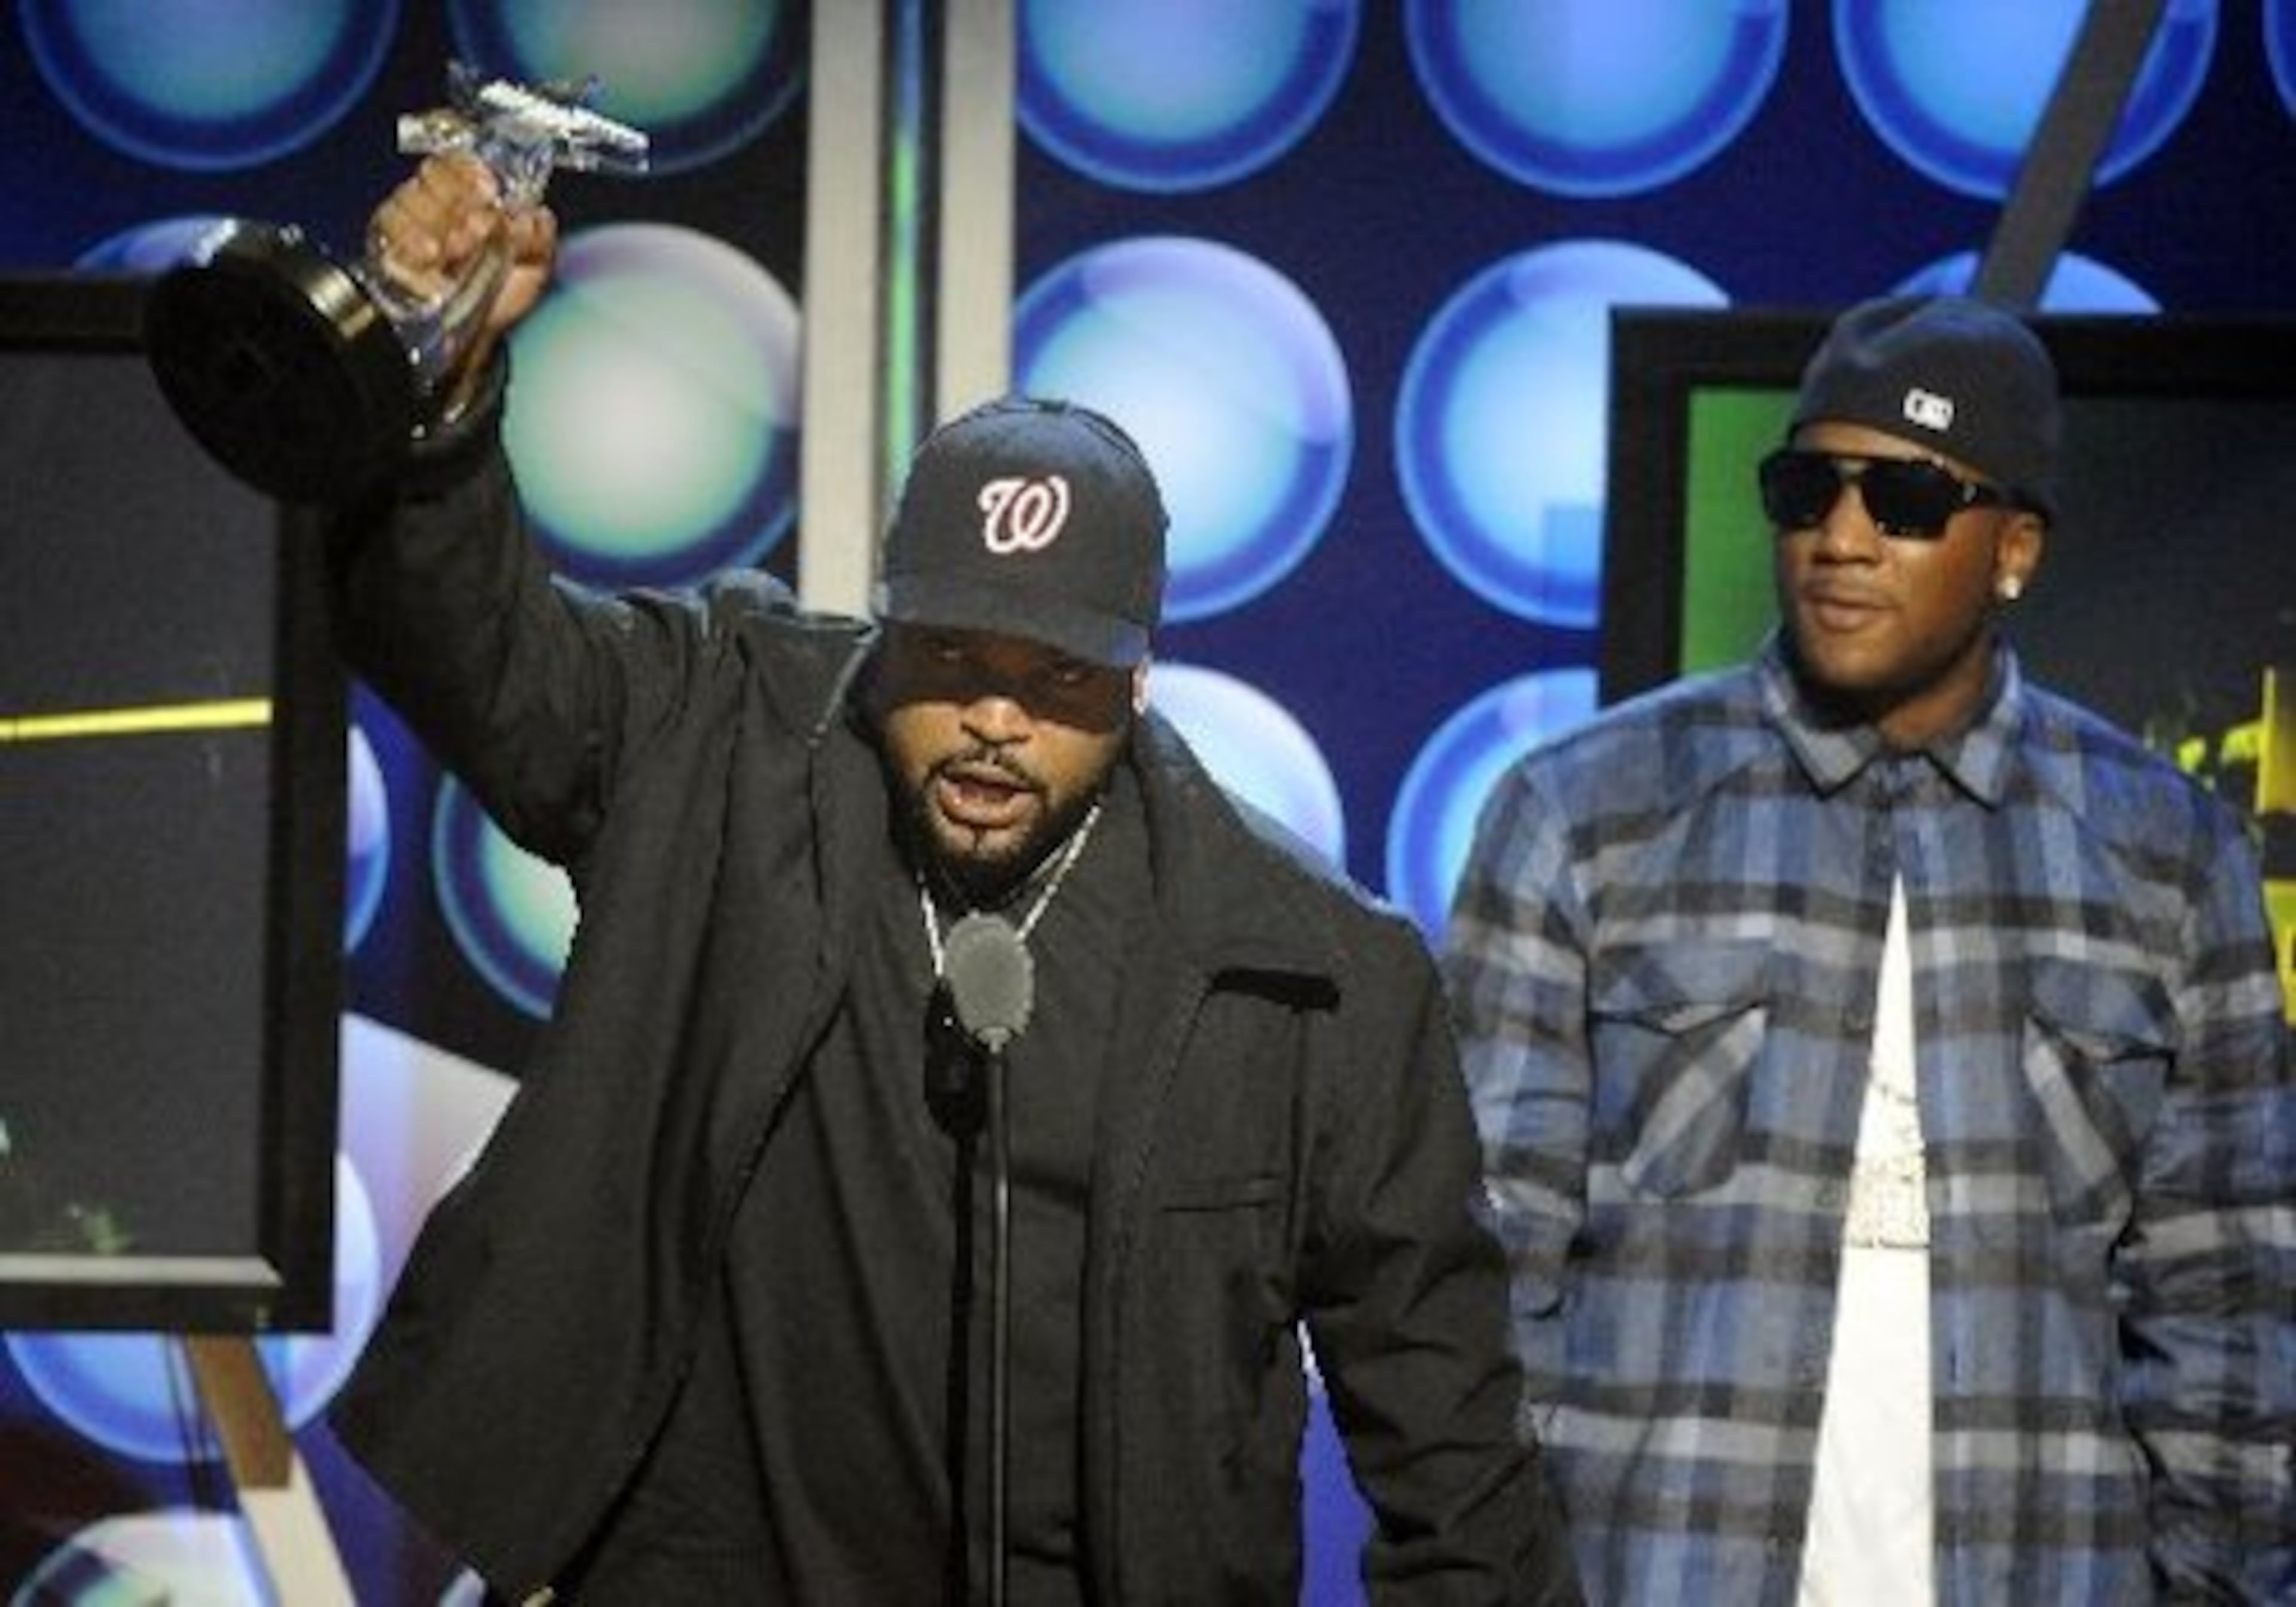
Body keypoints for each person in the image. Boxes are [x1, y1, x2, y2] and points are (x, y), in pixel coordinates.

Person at [322, 154, 1580, 1604]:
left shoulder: (1314, 977)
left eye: (1057, 676)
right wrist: (425, 385)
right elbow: (471, 650)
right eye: (955, 659)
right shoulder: (720, 743)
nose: (997, 718)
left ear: (1141, 672)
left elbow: (1448, 1432)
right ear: (886, 631)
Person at [1443, 294, 2292, 1603]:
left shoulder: (2168, 856)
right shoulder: (1584, 815)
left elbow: (2226, 1315)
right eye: (1808, 489)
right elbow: (1481, 1282)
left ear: (2013, 547)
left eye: (1903, 499)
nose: (1841, 537)